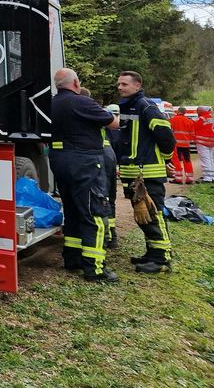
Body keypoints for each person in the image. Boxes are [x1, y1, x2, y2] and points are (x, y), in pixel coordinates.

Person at [51, 69, 121, 282]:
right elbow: (114, 123)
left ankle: (72, 259)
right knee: (94, 213)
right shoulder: (82, 102)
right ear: (75, 83)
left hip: (59, 160)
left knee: (72, 210)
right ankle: (95, 268)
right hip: (84, 162)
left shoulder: (51, 103)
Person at [115, 71, 176, 274]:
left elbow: (166, 136)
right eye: (119, 84)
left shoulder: (146, 106)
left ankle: (161, 259)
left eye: (124, 84)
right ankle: (152, 253)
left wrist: (166, 159)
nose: (120, 87)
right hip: (133, 173)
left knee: (153, 213)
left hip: (147, 173)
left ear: (137, 86)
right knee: (143, 216)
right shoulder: (129, 106)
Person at [101, 103, 120, 246]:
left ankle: (106, 236)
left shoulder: (94, 116)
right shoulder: (115, 125)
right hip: (111, 157)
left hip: (100, 157)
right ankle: (112, 236)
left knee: (102, 198)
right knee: (110, 197)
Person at [169, 106, 196, 184]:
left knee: (176, 160)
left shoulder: (172, 120)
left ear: (178, 111)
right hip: (186, 144)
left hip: (176, 144)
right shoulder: (190, 121)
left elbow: (169, 132)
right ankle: (189, 178)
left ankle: (178, 178)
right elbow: (192, 134)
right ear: (185, 112)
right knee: (187, 160)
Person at [195, 106, 214, 183]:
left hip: (202, 141)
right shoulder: (210, 118)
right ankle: (211, 176)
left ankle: (207, 178)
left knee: (205, 159)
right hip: (211, 141)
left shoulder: (202, 118)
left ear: (201, 111)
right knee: (210, 158)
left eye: (198, 111)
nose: (197, 112)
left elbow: (195, 126)